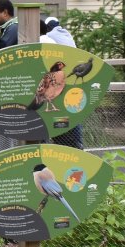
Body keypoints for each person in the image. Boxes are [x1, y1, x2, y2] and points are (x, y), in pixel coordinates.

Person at [38, 16, 83, 149]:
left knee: (53, 114)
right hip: (67, 80)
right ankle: (74, 145)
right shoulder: (66, 34)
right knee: (68, 114)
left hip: (54, 81)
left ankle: (47, 145)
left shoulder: (47, 38)